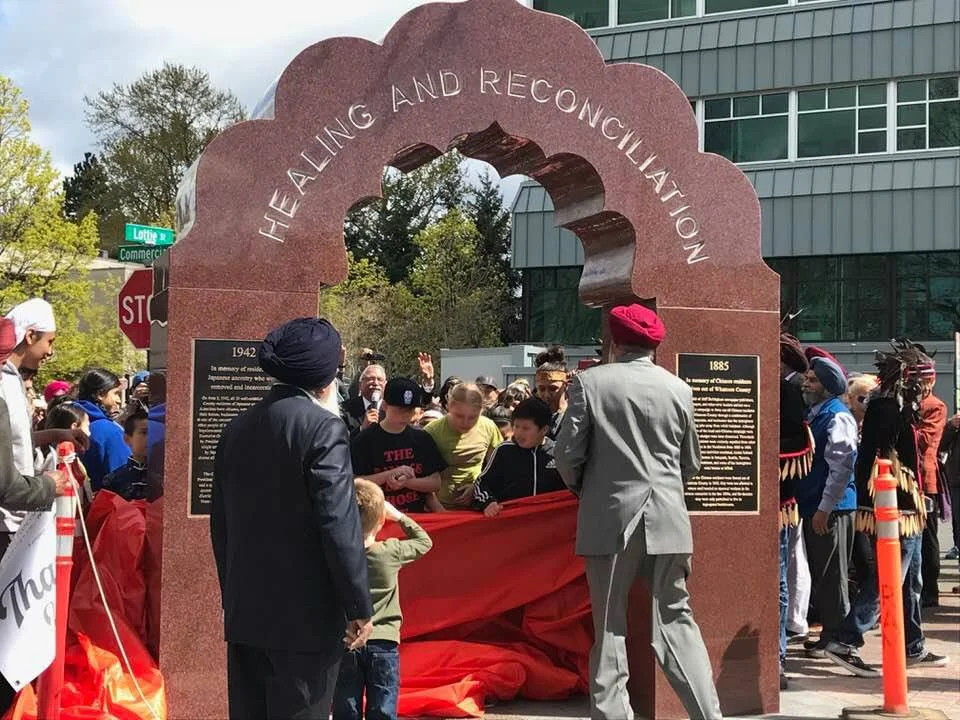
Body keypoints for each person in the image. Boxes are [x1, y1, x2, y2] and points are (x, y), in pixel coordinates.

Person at [554, 303, 721, 720]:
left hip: (609, 519)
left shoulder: (589, 384)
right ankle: (708, 714)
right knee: (677, 622)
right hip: (669, 518)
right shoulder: (679, 389)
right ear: (653, 346)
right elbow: (691, 462)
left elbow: (567, 455)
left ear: (612, 340)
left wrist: (586, 491)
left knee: (610, 625)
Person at [211, 317, 373, 720]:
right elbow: (338, 523)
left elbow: (221, 524)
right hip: (306, 619)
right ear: (326, 379)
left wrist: (232, 596)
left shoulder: (237, 427)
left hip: (247, 610)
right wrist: (358, 605)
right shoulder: (323, 428)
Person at [826, 340, 949, 675]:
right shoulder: (889, 408)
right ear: (912, 379)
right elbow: (883, 458)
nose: (929, 387)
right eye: (926, 380)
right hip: (897, 507)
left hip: (908, 505)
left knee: (911, 580)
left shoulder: (895, 405)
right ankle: (845, 639)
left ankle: (912, 644)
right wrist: (903, 494)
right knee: (890, 577)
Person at [332, 480, 433, 720]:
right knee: (384, 705)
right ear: (381, 520)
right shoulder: (390, 551)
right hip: (385, 642)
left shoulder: (338, 556)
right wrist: (398, 516)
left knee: (346, 705)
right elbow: (424, 542)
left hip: (348, 640)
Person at [1, 299, 88, 558]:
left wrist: (55, 435)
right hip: (6, 525)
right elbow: (6, 483)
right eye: (49, 342)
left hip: (16, 521)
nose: (50, 352)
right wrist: (49, 486)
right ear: (30, 336)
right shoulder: (4, 384)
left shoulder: (13, 379)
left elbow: (13, 442)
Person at [796, 356, 858, 658]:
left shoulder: (838, 416)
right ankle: (830, 636)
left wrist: (824, 507)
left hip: (830, 509)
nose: (806, 384)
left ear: (828, 387)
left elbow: (841, 466)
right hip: (816, 506)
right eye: (807, 378)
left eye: (813, 380)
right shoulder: (816, 413)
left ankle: (842, 641)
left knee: (834, 575)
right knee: (823, 573)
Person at [777, 333, 815, 690]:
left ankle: (778, 658)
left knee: (778, 580)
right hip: (743, 498)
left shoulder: (786, 391)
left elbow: (799, 443)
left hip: (778, 503)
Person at [350, 377, 446, 515]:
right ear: (384, 405)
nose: (405, 415)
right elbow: (354, 483)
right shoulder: (365, 440)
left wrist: (408, 483)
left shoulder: (422, 438)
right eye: (400, 409)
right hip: (378, 518)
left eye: (410, 409)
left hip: (416, 517)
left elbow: (435, 483)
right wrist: (389, 474)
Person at [474, 397, 565, 518]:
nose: (518, 433)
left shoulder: (557, 453)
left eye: (525, 428)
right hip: (512, 524)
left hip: (547, 524)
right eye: (516, 426)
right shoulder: (504, 450)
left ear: (544, 429)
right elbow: (481, 483)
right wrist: (488, 502)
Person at [424, 383, 502, 509]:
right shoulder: (432, 431)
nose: (465, 423)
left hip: (479, 506)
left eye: (473, 417)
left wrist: (476, 487)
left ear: (481, 411)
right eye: (459, 416)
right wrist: (442, 514)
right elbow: (423, 479)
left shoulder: (489, 427)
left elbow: (497, 468)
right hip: (439, 508)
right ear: (448, 407)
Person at [916, 366, 946, 608]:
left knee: (927, 536)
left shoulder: (934, 405)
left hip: (925, 480)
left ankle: (930, 589)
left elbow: (925, 439)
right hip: (907, 476)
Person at [75, 368, 131, 490]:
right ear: (100, 394)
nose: (118, 400)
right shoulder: (109, 431)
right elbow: (122, 476)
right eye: (115, 393)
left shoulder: (71, 421)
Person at [102, 409, 149, 501]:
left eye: (155, 432)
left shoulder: (167, 478)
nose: (151, 437)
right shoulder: (113, 480)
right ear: (127, 439)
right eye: (144, 433)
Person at [341, 364, 387, 439]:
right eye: (370, 379)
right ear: (360, 384)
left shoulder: (392, 408)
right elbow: (342, 440)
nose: (375, 383)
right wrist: (362, 429)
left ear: (385, 384)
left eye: (379, 379)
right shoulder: (345, 409)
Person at [534, 346, 568, 440]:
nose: (546, 395)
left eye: (553, 388)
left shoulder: (574, 416)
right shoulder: (532, 416)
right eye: (541, 389)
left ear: (565, 385)